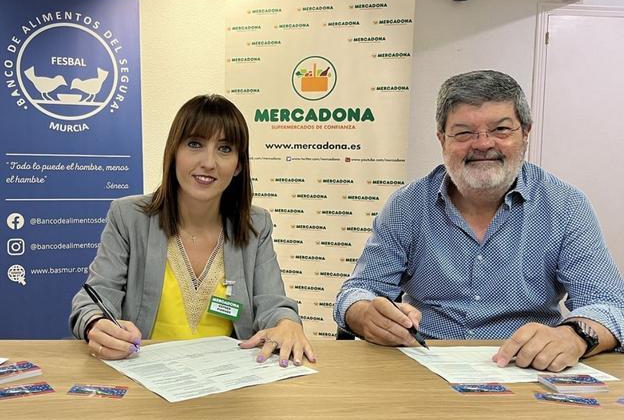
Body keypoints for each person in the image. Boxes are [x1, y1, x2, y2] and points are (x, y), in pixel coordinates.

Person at [334, 70, 623, 372]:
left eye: (500, 129)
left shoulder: (565, 205)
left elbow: (610, 305)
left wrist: (574, 336)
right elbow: (359, 290)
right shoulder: (407, 206)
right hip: (424, 365)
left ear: (525, 133)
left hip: (527, 368)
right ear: (441, 139)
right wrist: (365, 314)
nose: (483, 144)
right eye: (463, 133)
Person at [70, 94, 315, 366]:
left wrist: (287, 322)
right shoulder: (129, 217)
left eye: (224, 149)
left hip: (229, 383)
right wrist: (96, 322)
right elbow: (94, 298)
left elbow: (273, 303)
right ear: (174, 152)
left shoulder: (256, 225)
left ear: (238, 166)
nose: (209, 162)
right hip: (145, 379)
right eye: (195, 144)